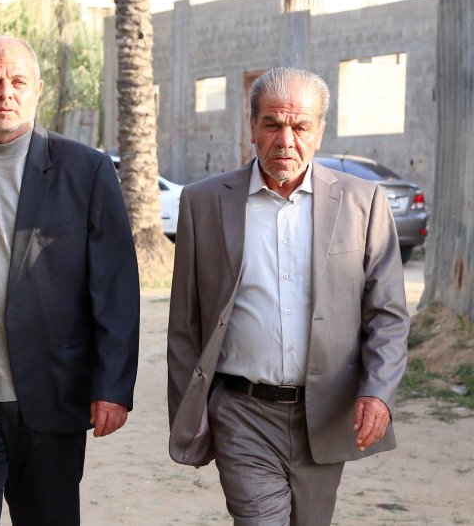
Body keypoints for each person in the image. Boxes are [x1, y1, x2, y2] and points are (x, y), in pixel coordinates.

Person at [0, 35, 140, 525]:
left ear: (38, 89)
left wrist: (113, 385)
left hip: (53, 389)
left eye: (17, 81)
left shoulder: (87, 170)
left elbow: (116, 287)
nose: (5, 93)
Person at [167, 66, 409, 525]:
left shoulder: (363, 202)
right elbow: (185, 323)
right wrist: (190, 410)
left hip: (326, 413)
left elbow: (387, 315)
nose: (286, 140)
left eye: (300, 126)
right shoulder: (204, 203)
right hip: (242, 414)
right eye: (272, 124)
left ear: (319, 132)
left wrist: (378, 392)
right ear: (252, 127)